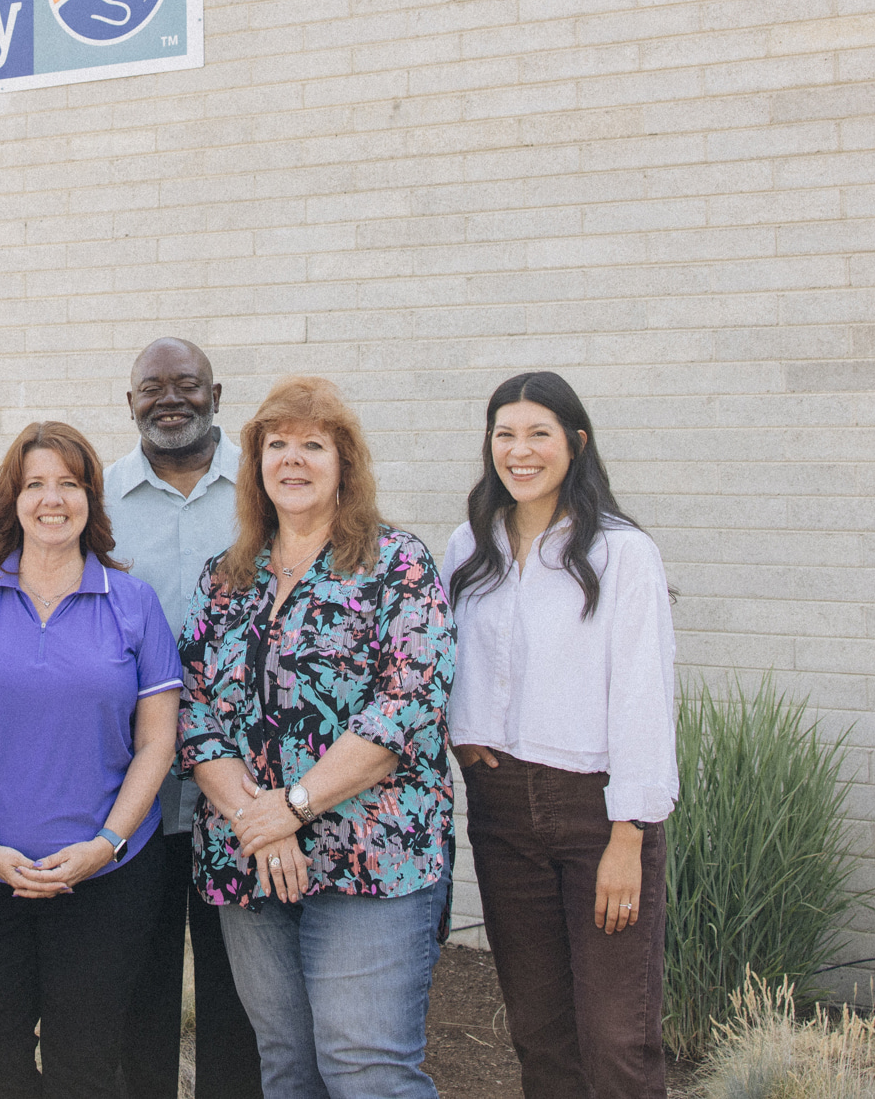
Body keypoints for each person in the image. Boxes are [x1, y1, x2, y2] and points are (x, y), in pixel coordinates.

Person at [180, 375, 455, 1099]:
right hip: (252, 862)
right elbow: (194, 706)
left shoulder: (396, 564)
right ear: (256, 464)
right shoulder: (226, 578)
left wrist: (294, 805)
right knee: (287, 1067)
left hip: (370, 859)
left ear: (345, 465)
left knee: (366, 1070)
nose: (293, 460)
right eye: (277, 445)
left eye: (313, 445)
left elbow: (409, 702)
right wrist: (260, 821)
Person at [0, 421, 183, 1099]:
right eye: (35, 484)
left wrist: (106, 844)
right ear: (12, 500)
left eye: (68, 483)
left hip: (105, 877)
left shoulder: (134, 603)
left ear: (92, 498)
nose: (52, 499)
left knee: (85, 1066)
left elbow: (158, 741)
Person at [443, 371, 676, 1099]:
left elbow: (643, 697)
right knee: (540, 1035)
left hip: (598, 815)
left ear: (575, 443)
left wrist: (629, 836)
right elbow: (438, 658)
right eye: (504, 434)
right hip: (503, 810)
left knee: (616, 1039)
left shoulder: (620, 553)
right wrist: (463, 731)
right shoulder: (468, 547)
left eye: (538, 433)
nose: (520, 450)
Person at [104, 337, 263, 1099]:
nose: (171, 399)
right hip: (129, 789)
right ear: (128, 400)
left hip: (242, 791)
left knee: (240, 993)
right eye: (152, 388)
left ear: (217, 394)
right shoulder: (95, 501)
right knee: (139, 985)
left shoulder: (265, 491)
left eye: (188, 385)